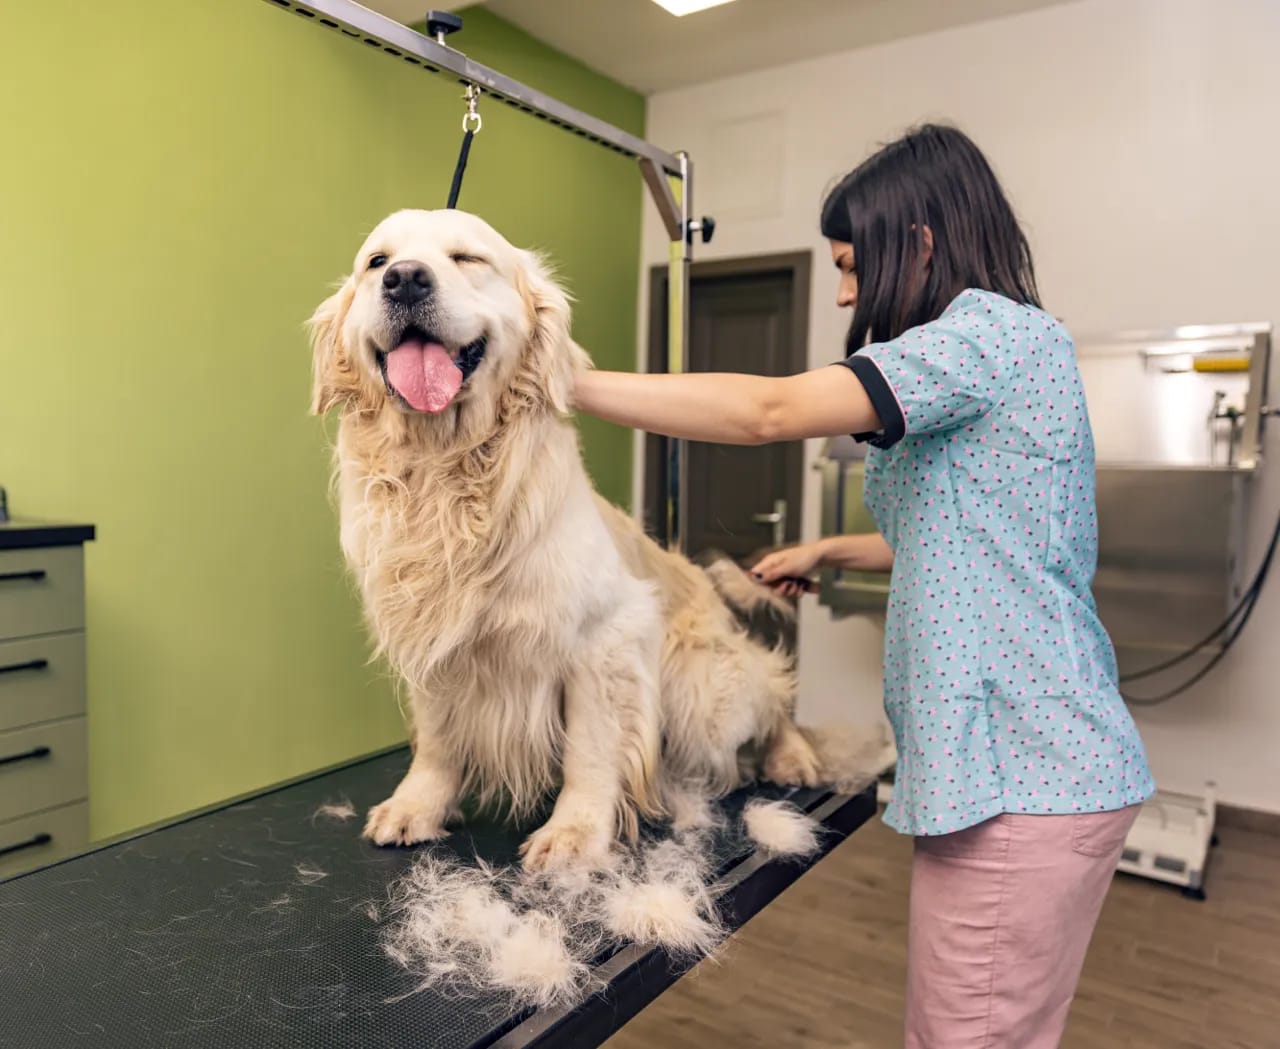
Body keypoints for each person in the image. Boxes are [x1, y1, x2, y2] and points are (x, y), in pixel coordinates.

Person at [573, 123, 1156, 1048]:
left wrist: (573, 381)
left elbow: (769, 412)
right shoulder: (1006, 351)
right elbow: (970, 533)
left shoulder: (988, 341)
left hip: (1026, 770)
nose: (846, 292)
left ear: (919, 243)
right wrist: (830, 551)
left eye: (852, 266)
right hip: (1036, 767)